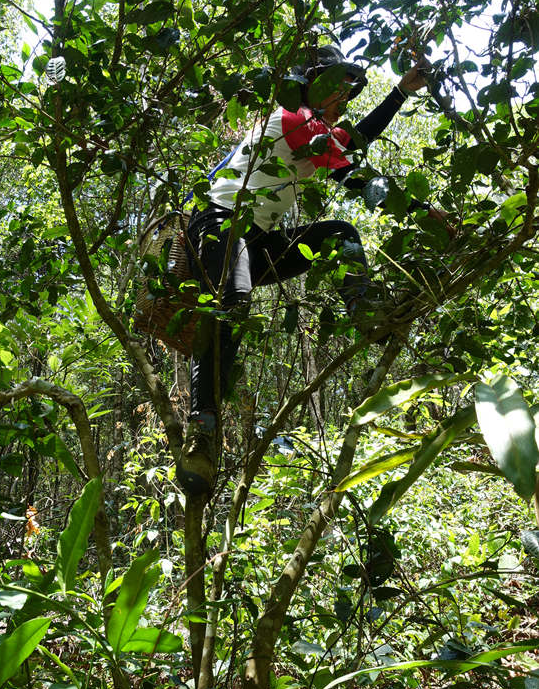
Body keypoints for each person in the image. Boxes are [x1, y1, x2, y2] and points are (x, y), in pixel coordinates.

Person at [176, 44, 432, 495]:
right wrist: (422, 210)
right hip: (220, 224)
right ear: (308, 88)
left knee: (339, 235)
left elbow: (349, 144)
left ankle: (368, 311)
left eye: (345, 92)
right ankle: (202, 428)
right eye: (333, 88)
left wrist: (399, 93)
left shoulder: (317, 132)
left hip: (258, 240)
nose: (342, 100)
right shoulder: (293, 118)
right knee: (233, 305)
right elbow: (349, 172)